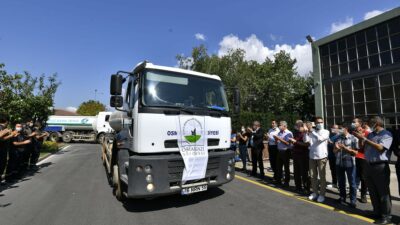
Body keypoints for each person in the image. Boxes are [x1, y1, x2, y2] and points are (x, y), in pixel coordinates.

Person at [353, 116, 393, 224]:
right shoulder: (371, 134)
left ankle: (386, 216)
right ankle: (377, 212)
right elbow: (362, 147)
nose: (369, 124)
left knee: (383, 192)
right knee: (373, 191)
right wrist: (361, 138)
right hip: (368, 165)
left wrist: (365, 139)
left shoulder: (386, 134)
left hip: (380, 166)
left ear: (377, 123)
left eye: (371, 122)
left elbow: (380, 148)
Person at [304, 117, 329, 203]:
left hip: (322, 156)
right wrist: (306, 132)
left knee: (322, 177)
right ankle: (314, 192)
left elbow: (320, 139)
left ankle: (322, 194)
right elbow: (306, 140)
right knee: (312, 176)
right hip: (312, 156)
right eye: (318, 122)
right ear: (315, 123)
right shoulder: (312, 132)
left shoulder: (326, 131)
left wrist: (312, 131)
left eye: (321, 122)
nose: (320, 124)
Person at [334, 122, 359, 208]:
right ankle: (342, 197)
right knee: (341, 182)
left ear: (346, 129)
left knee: (352, 183)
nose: (339, 130)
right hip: (339, 163)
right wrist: (336, 149)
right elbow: (334, 151)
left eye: (341, 128)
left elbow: (356, 152)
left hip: (350, 164)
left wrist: (345, 148)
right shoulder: (338, 138)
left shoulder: (353, 138)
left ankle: (353, 200)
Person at [289, 120, 310, 194]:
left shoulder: (305, 133)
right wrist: (292, 142)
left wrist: (295, 142)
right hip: (295, 154)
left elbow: (306, 144)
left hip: (303, 155)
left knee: (304, 173)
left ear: (301, 126)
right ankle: (298, 187)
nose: (296, 127)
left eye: (297, 125)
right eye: (296, 125)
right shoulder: (296, 133)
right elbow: (295, 142)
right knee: (296, 172)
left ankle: (306, 188)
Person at [352, 117, 369, 203]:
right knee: (355, 176)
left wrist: (361, 138)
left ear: (360, 123)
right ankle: (353, 193)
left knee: (363, 177)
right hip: (353, 156)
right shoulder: (352, 133)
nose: (353, 123)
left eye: (354, 122)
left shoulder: (366, 133)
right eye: (352, 122)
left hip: (362, 157)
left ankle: (363, 195)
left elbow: (365, 146)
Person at [273, 121, 293, 187]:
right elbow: (277, 142)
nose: (279, 126)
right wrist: (276, 139)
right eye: (279, 125)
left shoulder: (289, 133)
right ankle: (279, 180)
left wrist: (278, 138)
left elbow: (288, 143)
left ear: (284, 126)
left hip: (286, 151)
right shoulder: (279, 132)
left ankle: (286, 182)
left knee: (286, 167)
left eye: (280, 125)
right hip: (279, 151)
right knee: (278, 167)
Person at [0, 115, 14, 183]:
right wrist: (10, 135)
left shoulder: (4, 128)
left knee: (3, 165)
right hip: (1, 150)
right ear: (7, 122)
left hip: (3, 150)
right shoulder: (2, 128)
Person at [327, 124, 339, 189]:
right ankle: (334, 183)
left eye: (335, 128)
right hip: (331, 156)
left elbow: (338, 146)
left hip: (337, 156)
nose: (333, 129)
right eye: (332, 128)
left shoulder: (339, 136)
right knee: (332, 170)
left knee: (338, 171)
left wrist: (332, 143)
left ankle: (339, 183)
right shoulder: (329, 135)